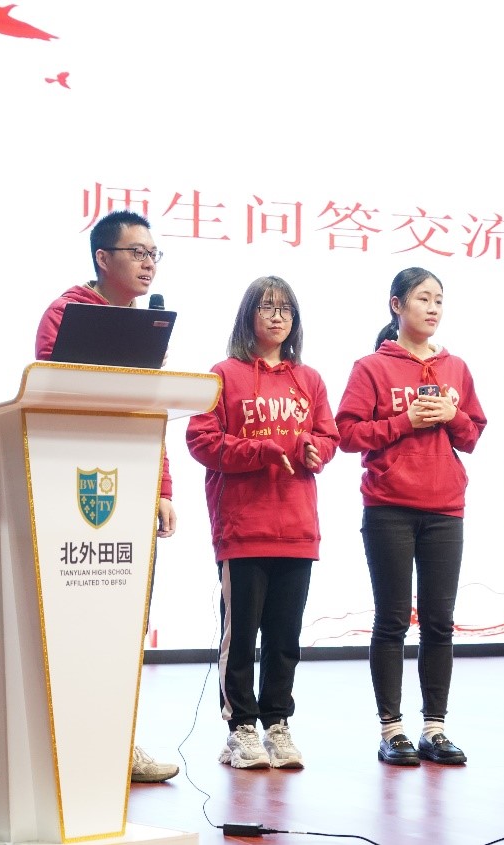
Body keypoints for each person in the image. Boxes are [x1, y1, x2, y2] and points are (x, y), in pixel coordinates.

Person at [34, 208, 179, 783]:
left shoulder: (147, 324)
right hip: (73, 485)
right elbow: (50, 393)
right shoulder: (67, 313)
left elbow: (150, 409)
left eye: (153, 254)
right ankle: (67, 744)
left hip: (132, 485)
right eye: (137, 253)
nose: (148, 264)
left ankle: (119, 744)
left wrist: (162, 486)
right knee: (76, 620)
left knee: (127, 623)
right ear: (103, 257)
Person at [335, 267, 487, 767]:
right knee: (393, 619)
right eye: (423, 298)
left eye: (439, 299)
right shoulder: (371, 367)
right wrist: (403, 422)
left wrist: (452, 416)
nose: (433, 308)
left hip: (445, 509)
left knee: (439, 623)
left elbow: (472, 435)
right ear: (396, 304)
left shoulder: (455, 367)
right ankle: (392, 729)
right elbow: (347, 434)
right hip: (389, 508)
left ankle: (435, 729)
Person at [185, 276, 339, 770]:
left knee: (284, 638)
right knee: (240, 637)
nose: (277, 316)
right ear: (247, 315)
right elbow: (201, 441)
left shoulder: (308, 379)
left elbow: (328, 436)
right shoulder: (222, 375)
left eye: (286, 309)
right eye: (267, 307)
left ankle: (277, 724)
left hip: (297, 527)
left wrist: (316, 449)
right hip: (243, 528)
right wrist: (260, 451)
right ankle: (240, 729)